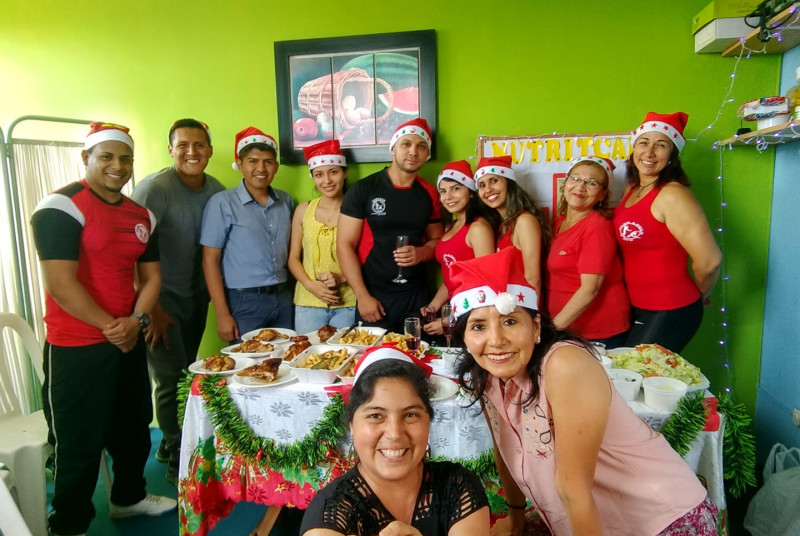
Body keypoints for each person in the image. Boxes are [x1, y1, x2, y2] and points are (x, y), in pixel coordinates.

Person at [448, 248, 718, 536]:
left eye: (510, 321)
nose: (496, 340)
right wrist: (516, 519)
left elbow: (572, 489)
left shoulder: (564, 364)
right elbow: (504, 451)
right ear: (464, 337)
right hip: (586, 521)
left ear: (536, 328)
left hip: (664, 522)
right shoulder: (487, 375)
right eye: (478, 326)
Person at [30, 123, 177, 536]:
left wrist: (136, 321)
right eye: (107, 157)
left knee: (134, 427)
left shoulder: (141, 215)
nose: (118, 166)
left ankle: (128, 499)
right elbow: (60, 283)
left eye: (125, 158)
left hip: (127, 338)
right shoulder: (61, 207)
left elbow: (151, 278)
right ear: (87, 158)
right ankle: (69, 524)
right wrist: (112, 327)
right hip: (77, 345)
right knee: (78, 440)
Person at [300, 346, 490, 536]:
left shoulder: (457, 486)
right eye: (375, 416)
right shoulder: (329, 516)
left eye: (410, 415)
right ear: (351, 425)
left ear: (428, 420)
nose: (394, 433)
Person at [131, 118, 225, 484]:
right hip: (159, 299)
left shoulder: (215, 190)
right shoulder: (154, 190)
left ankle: (172, 445)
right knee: (170, 380)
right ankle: (178, 461)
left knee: (186, 373)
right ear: (170, 149)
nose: (191, 152)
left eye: (199, 145)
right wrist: (150, 309)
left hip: (195, 296)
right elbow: (132, 252)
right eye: (182, 145)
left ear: (209, 150)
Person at [613, 111, 722, 352]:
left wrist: (702, 293)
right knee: (626, 371)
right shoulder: (631, 190)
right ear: (634, 148)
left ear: (672, 154)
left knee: (637, 372)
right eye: (644, 142)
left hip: (670, 308)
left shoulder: (673, 195)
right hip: (635, 304)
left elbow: (710, 261)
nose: (649, 152)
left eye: (661, 145)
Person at [337, 118, 443, 333]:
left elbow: (437, 241)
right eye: (406, 144)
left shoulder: (430, 193)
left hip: (417, 297)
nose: (413, 152)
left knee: (419, 353)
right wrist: (362, 296)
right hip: (374, 298)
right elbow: (344, 245)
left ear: (427, 155)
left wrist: (421, 253)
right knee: (374, 354)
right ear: (393, 148)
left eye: (421, 146)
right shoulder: (364, 189)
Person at [201, 126, 294, 342]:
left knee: (286, 357)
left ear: (276, 166)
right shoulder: (222, 203)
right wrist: (222, 315)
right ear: (240, 164)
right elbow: (209, 260)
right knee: (246, 360)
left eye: (268, 162)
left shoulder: (286, 201)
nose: (261, 168)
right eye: (253, 161)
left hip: (283, 298)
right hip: (243, 301)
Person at [545, 156, 629, 347]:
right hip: (569, 329)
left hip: (598, 332)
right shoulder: (559, 222)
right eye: (575, 178)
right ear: (565, 184)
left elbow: (590, 289)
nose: (580, 187)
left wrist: (553, 330)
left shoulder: (597, 227)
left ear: (602, 194)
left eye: (591, 183)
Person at [289, 140, 356, 334]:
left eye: (333, 172)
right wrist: (311, 286)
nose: (327, 181)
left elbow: (366, 256)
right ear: (312, 177)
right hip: (308, 304)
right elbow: (293, 258)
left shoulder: (356, 211)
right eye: (319, 174)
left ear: (345, 172)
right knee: (307, 352)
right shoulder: (303, 210)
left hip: (349, 302)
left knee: (347, 351)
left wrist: (342, 277)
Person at [421, 160, 494, 336]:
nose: (448, 196)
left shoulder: (478, 228)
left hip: (472, 316)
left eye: (455, 189)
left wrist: (451, 321)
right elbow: (451, 277)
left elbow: (486, 284)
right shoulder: (452, 226)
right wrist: (433, 306)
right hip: (456, 311)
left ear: (471, 192)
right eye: (443, 191)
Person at [474, 155, 546, 300]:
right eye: (482, 185)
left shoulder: (524, 221)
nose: (488, 189)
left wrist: (530, 313)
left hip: (524, 305)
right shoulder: (500, 225)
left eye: (494, 181)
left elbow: (533, 278)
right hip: (507, 304)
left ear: (509, 183)